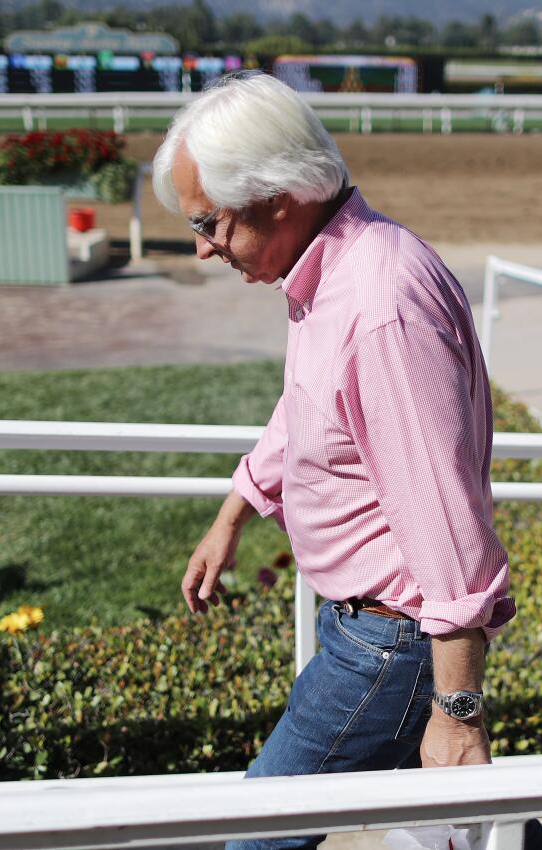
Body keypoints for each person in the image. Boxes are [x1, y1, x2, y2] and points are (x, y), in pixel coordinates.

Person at [152, 72, 517, 850]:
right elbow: (309, 411)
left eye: (210, 224)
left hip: (390, 645)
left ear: (278, 198)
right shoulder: (334, 270)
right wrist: (234, 513)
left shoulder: (378, 305)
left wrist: (459, 714)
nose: (201, 247)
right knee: (475, 832)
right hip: (378, 634)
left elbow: (447, 523)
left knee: (256, 838)